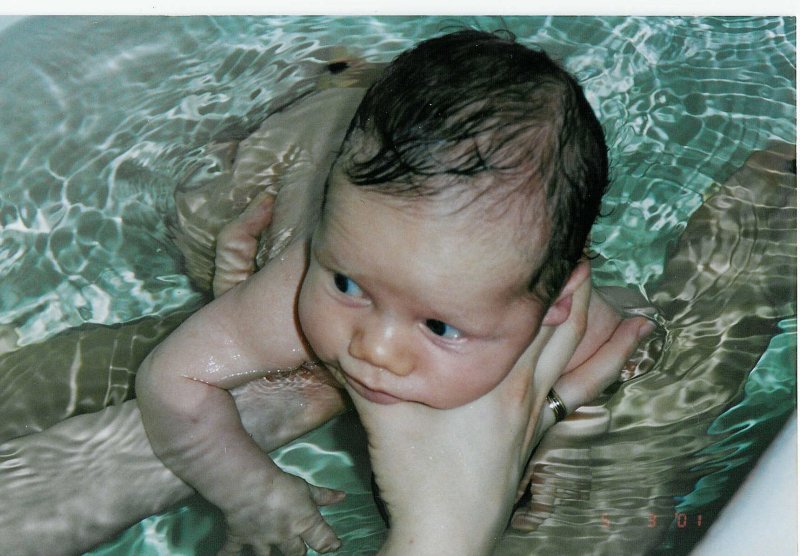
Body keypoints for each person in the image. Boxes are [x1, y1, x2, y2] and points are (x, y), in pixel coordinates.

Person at [134, 29, 652, 556]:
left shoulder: (574, 322)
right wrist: (250, 491)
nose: (375, 348)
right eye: (347, 284)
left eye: (440, 326)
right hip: (299, 142)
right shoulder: (295, 288)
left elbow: (628, 341)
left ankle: (349, 81)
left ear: (554, 307)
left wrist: (566, 438)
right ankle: (338, 83)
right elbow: (171, 379)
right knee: (201, 220)